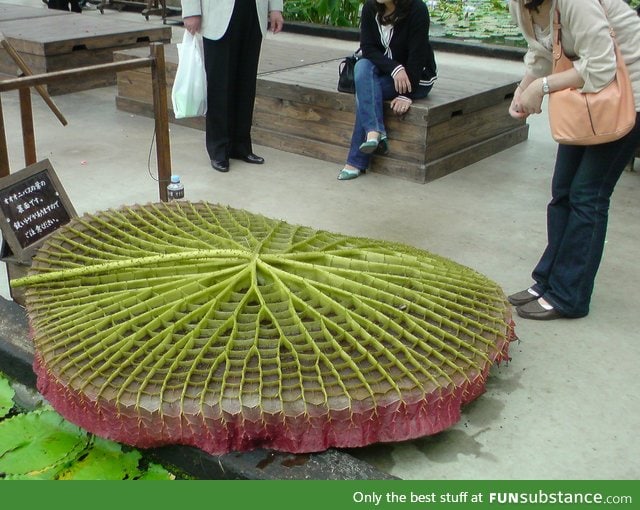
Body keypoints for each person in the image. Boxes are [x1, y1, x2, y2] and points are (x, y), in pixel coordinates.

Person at [507, 0, 640, 320]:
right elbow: (541, 54)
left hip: (629, 93)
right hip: (589, 95)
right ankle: (548, 281)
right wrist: (523, 88)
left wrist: (544, 86)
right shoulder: (519, 4)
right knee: (563, 190)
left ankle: (570, 296)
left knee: (588, 194)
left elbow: (602, 66)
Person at [337, 0, 437, 181]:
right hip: (387, 72)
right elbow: (367, 48)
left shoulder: (417, 9)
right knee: (362, 67)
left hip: (414, 77)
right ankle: (375, 132)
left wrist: (407, 94)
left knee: (366, 91)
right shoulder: (370, 8)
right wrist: (394, 68)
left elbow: (418, 54)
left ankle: (355, 161)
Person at [181, 0, 284, 173]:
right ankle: (218, 148)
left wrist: (275, 8)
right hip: (217, 13)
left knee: (246, 82)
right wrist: (191, 11)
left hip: (252, 10)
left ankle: (241, 145)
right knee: (219, 84)